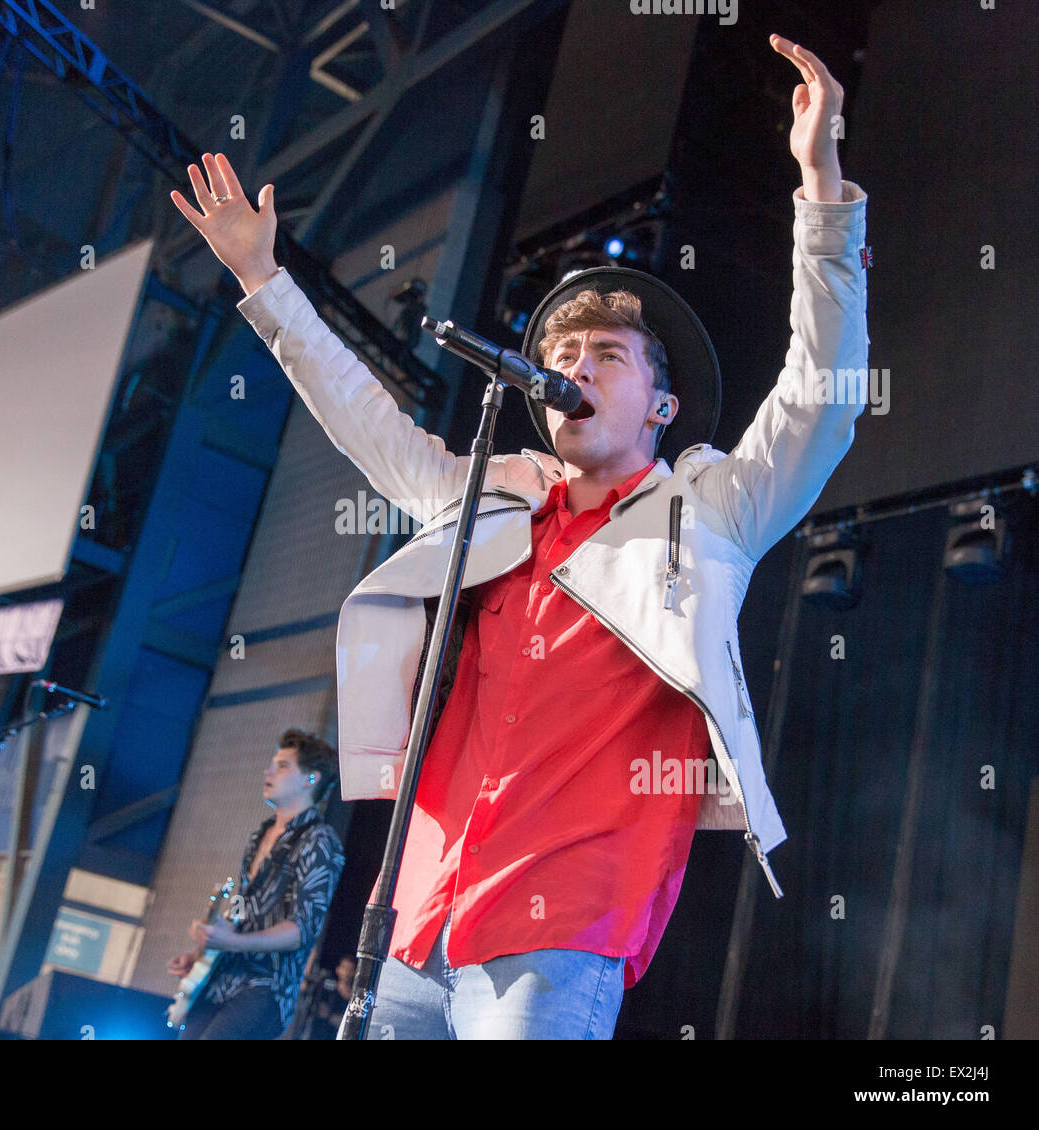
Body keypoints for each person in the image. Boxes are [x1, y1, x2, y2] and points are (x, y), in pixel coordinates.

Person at [172, 35, 866, 1039]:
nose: (577, 365)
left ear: (664, 402)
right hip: (417, 919)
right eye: (564, 352)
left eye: (609, 355)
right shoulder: (492, 503)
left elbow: (822, 394)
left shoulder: (707, 513)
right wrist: (264, 281)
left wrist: (822, 188)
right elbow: (368, 426)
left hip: (560, 929)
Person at [167, 729, 345, 1039]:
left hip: (266, 988)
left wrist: (233, 942)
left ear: (311, 779)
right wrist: (202, 953)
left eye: (283, 765)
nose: (269, 770)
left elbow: (301, 931)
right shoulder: (258, 835)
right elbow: (243, 912)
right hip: (222, 978)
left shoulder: (320, 841)